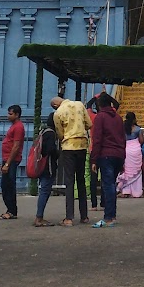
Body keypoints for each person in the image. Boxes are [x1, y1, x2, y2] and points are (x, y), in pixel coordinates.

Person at [51, 92, 91, 226]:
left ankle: (69, 218)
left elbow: (60, 133)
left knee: (69, 181)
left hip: (68, 147)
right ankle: (84, 216)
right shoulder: (80, 105)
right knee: (81, 180)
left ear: (55, 105)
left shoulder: (58, 113)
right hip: (82, 145)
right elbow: (89, 124)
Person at [90, 92, 126, 228]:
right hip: (118, 154)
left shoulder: (100, 117)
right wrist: (123, 159)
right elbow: (123, 139)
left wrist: (94, 159)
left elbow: (97, 139)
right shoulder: (118, 118)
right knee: (111, 185)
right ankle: (112, 215)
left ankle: (109, 217)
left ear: (99, 105)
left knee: (108, 185)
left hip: (106, 154)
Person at [0, 104, 25, 221]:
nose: (8, 116)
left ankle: (12, 210)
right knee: (5, 185)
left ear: (17, 115)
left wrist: (7, 164)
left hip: (11, 160)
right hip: (8, 159)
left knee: (8, 185)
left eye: (10, 114)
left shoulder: (18, 127)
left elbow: (16, 146)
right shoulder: (14, 126)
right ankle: (10, 209)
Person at [32, 110, 59, 225]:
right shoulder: (51, 133)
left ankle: (39, 216)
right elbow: (50, 149)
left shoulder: (43, 131)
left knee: (43, 190)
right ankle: (39, 217)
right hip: (48, 166)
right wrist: (58, 154)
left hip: (41, 165)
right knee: (45, 191)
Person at [118, 112, 144, 199]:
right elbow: (141, 140)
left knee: (127, 170)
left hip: (126, 150)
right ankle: (137, 192)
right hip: (136, 150)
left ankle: (126, 191)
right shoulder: (137, 129)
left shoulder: (122, 128)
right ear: (134, 119)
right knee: (136, 171)